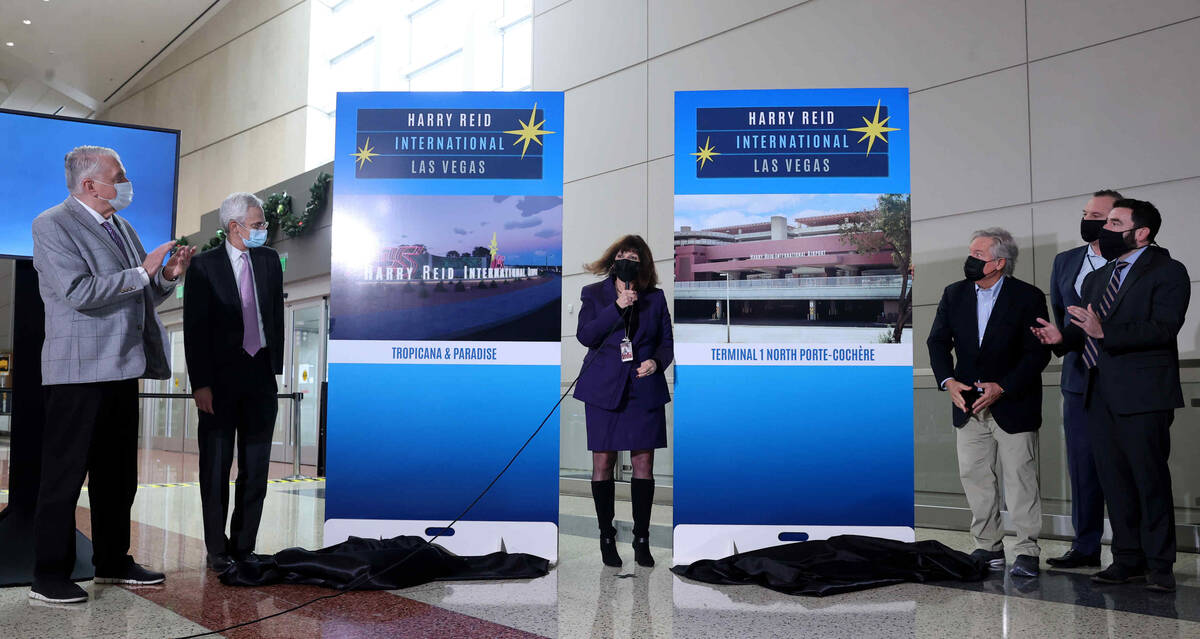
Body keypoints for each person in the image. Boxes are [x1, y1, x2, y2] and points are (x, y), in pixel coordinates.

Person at [30, 145, 195, 603]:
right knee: (64, 477)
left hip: (124, 367)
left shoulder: (122, 226)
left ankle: (112, 562)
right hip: (77, 372)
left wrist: (166, 277)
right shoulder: (52, 224)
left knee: (118, 474)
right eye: (118, 176)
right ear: (89, 185)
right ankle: (48, 575)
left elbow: (140, 296)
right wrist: (143, 274)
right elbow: (78, 292)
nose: (125, 184)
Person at [1032, 199, 1189, 593]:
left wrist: (1106, 333)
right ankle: (1126, 558)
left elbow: (1163, 329)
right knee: (1114, 481)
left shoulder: (1169, 271)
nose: (1105, 228)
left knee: (1148, 480)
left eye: (1115, 222)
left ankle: (1160, 564)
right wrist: (1061, 338)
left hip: (1143, 396)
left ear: (1142, 233)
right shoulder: (1097, 278)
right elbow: (1085, 329)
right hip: (1097, 393)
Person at [926, 228, 1050, 578]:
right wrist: (948, 381)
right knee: (975, 476)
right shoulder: (953, 294)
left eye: (978, 254)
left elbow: (1037, 353)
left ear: (999, 262)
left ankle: (1026, 550)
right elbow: (937, 342)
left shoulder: (1027, 296)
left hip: (1014, 403)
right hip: (967, 406)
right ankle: (987, 547)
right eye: (971, 252)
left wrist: (1003, 387)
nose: (970, 259)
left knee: (1020, 478)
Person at [183, 192, 284, 572]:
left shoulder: (270, 261)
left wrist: (275, 366)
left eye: (263, 224)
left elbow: (274, 315)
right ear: (234, 227)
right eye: (258, 225)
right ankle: (217, 550)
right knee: (216, 467)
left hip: (260, 378)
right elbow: (194, 330)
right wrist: (201, 384)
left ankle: (244, 546)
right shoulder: (204, 267)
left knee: (255, 468)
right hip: (219, 384)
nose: (263, 231)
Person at [574, 235, 673, 568]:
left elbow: (666, 343)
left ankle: (641, 539)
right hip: (603, 389)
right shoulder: (592, 294)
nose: (627, 259)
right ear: (612, 260)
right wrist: (618, 306)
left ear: (642, 263)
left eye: (633, 255)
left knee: (643, 463)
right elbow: (586, 336)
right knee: (602, 463)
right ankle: (606, 536)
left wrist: (656, 362)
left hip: (643, 388)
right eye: (622, 254)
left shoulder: (656, 298)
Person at [1045, 189, 1121, 569]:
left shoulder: (1130, 261)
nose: (1088, 219)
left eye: (1098, 214)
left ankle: (1128, 551)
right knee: (1082, 466)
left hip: (1122, 378)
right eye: (1085, 212)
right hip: (1077, 377)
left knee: (1122, 468)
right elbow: (1061, 313)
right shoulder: (1065, 261)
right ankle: (1086, 546)